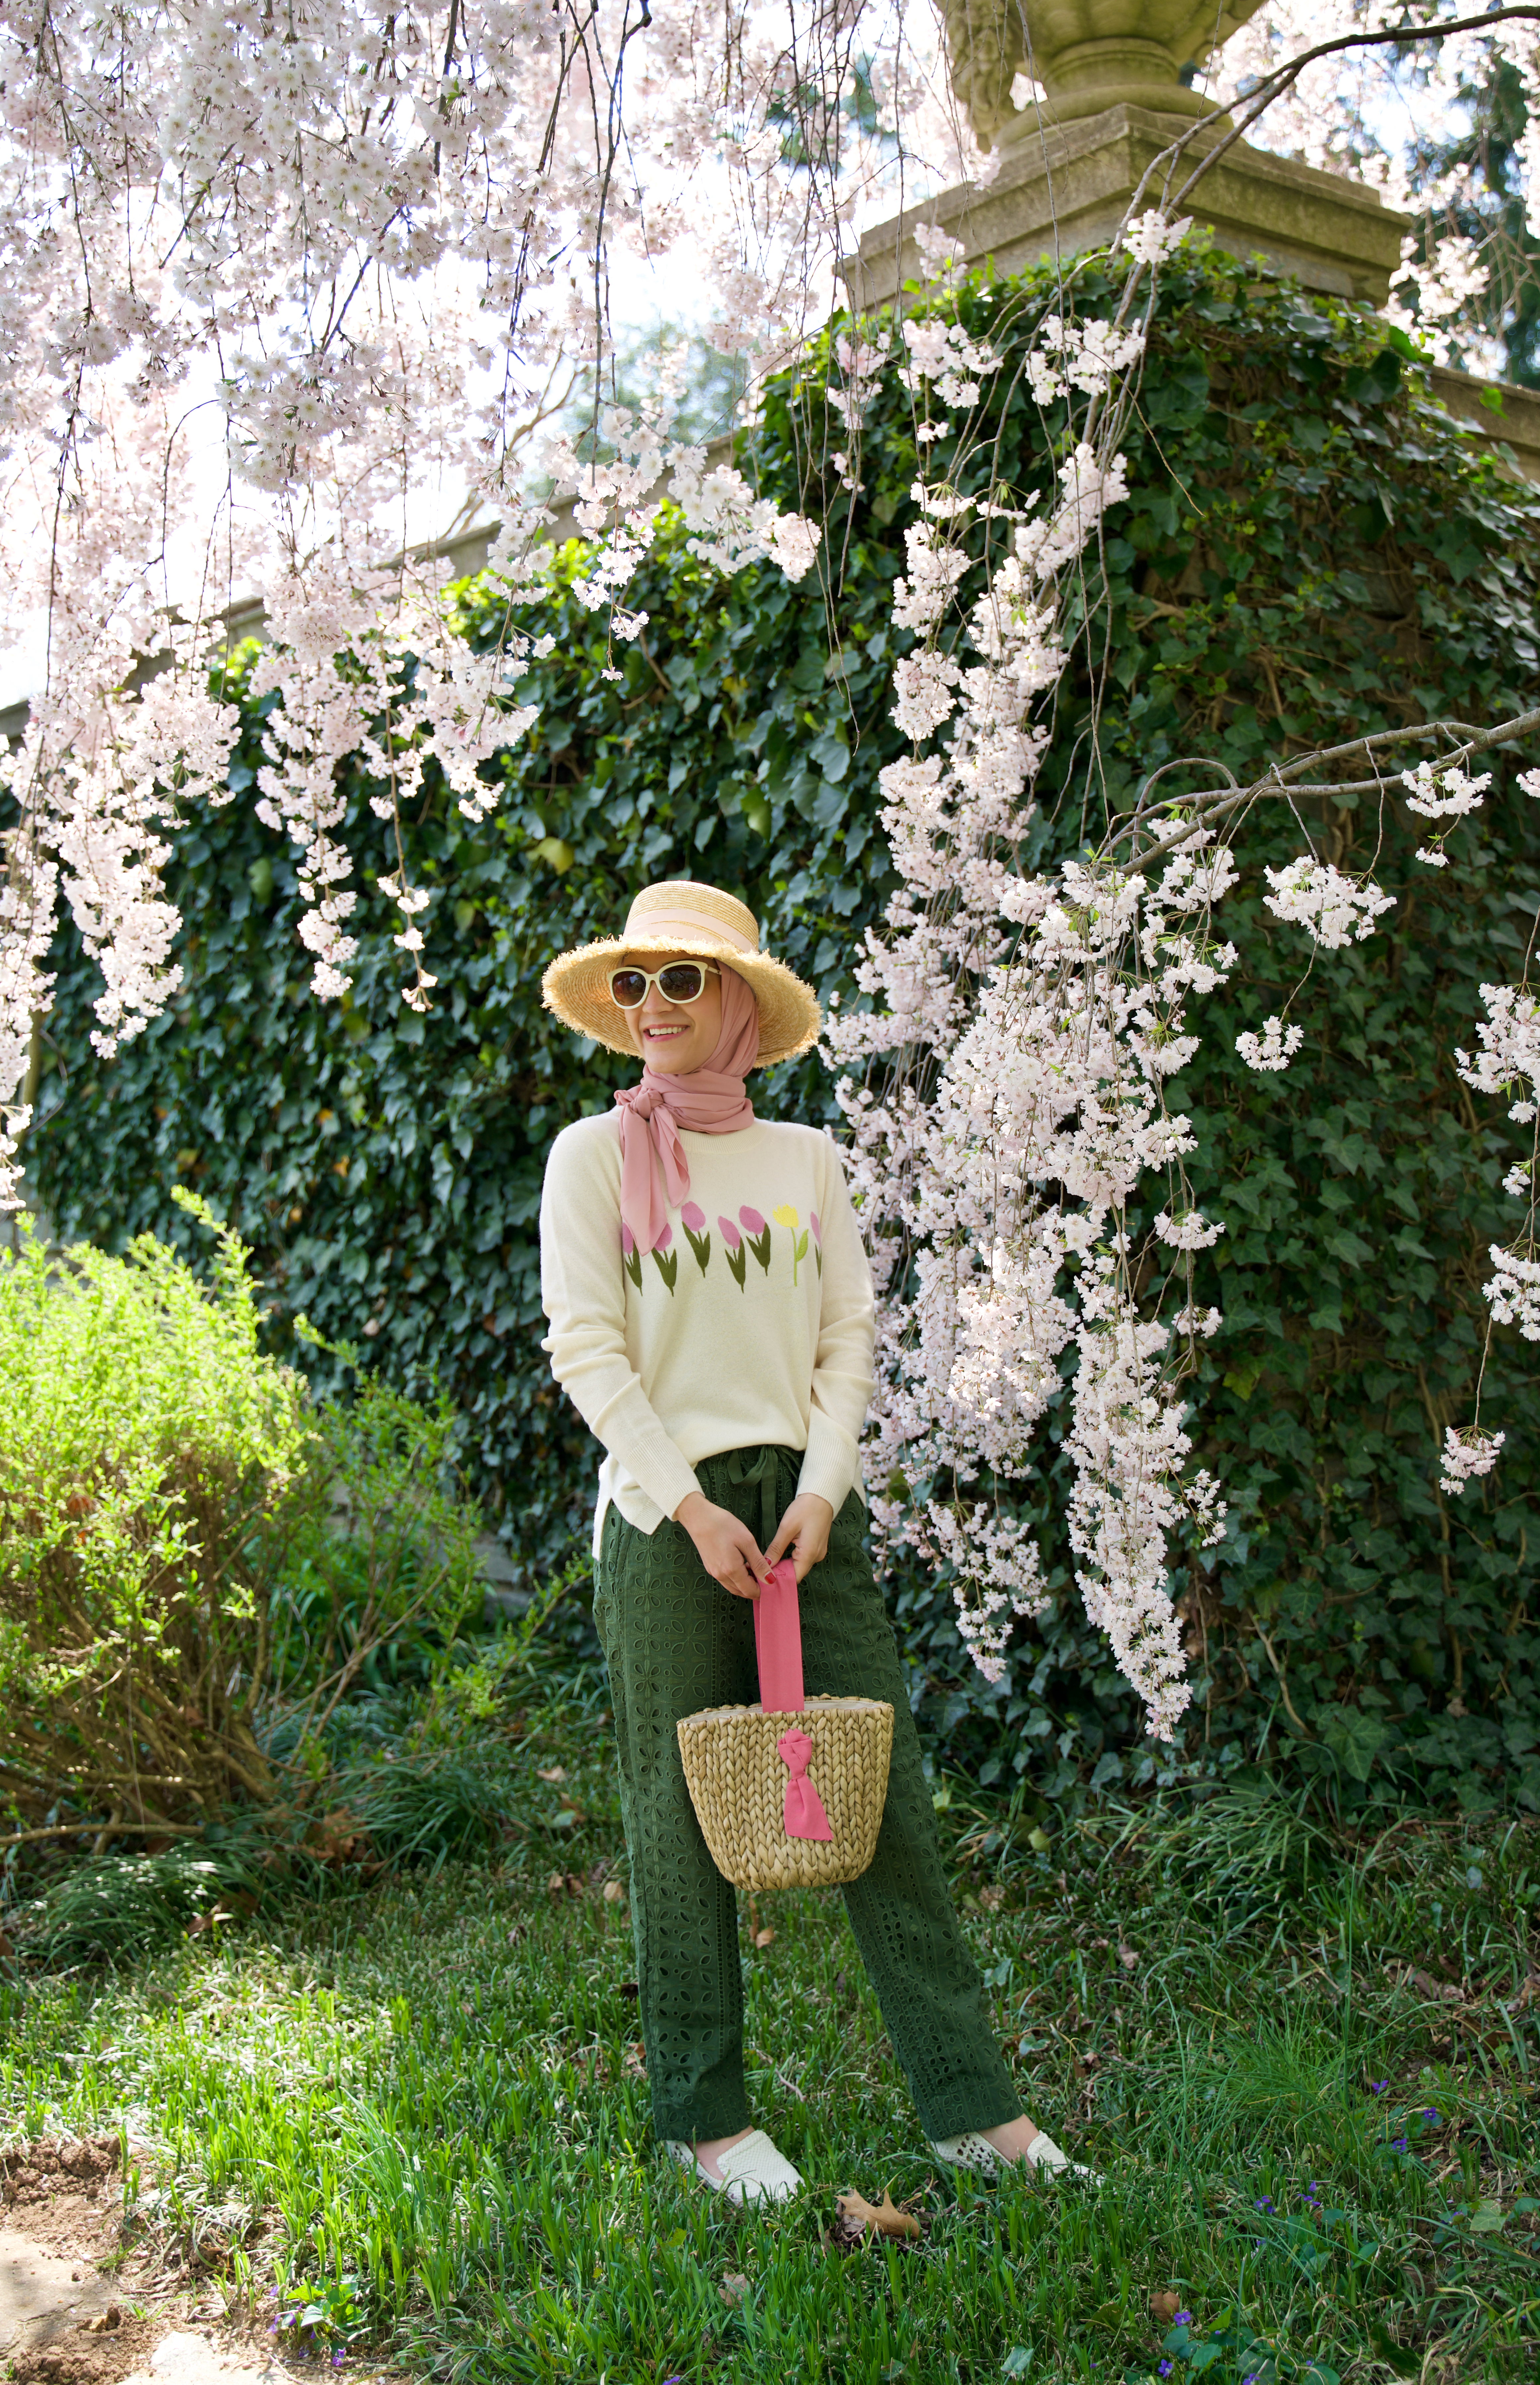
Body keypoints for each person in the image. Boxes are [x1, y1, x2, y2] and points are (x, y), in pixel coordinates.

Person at [538, 878, 1087, 2205]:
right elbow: (587, 1346)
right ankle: (704, 2117)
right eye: (636, 982)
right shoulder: (592, 1156)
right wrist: (688, 1502)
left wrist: (824, 1488)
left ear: (737, 998)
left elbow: (849, 1337)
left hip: (804, 1514)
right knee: (676, 1813)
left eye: (683, 978)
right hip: (668, 1522)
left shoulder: (809, 1163)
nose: (655, 1005)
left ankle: (972, 2106)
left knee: (878, 1792)